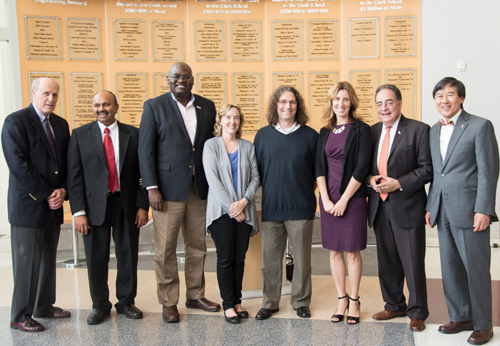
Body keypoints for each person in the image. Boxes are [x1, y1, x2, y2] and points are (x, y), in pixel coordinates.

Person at [139, 62, 220, 323]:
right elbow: (146, 150)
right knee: (165, 249)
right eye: (176, 76)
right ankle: (168, 301)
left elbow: (209, 145)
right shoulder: (154, 106)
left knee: (198, 245)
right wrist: (152, 188)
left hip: (199, 188)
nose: (181, 80)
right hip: (166, 191)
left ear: (192, 80)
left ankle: (195, 294)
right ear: (168, 79)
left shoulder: (206, 106)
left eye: (185, 76)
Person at [425, 77, 499, 345]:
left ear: (461, 98)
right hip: (442, 209)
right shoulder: (434, 130)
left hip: (471, 211)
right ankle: (460, 316)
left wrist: (484, 209)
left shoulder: (480, 126)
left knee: (476, 268)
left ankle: (483, 324)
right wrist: (430, 205)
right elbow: (437, 174)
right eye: (439, 96)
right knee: (450, 267)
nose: (444, 100)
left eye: (450, 95)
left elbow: (489, 173)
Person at [67, 91, 149, 325]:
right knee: (96, 258)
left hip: (127, 205)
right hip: (93, 209)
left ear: (116, 106)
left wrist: (142, 206)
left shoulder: (133, 134)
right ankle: (100, 305)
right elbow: (74, 177)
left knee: (128, 255)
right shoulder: (80, 135)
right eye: (96, 105)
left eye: (106, 104)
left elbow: (144, 173)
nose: (101, 108)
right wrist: (78, 212)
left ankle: (126, 302)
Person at [1, 77, 71, 332]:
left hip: (53, 206)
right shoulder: (15, 122)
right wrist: (47, 194)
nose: (51, 99)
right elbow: (18, 165)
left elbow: (65, 163)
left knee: (47, 260)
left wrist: (63, 190)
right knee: (27, 263)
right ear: (33, 93)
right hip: (28, 206)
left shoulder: (61, 125)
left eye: (55, 94)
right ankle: (20, 315)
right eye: (46, 94)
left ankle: (44, 305)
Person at [368, 84, 432, 332]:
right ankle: (394, 304)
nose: (384, 108)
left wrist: (399, 184)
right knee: (387, 261)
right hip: (379, 207)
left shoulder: (418, 130)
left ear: (399, 103)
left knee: (413, 262)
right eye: (380, 104)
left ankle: (417, 312)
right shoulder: (371, 132)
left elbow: (427, 169)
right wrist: (369, 179)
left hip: (408, 205)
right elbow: (365, 167)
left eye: (389, 102)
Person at [254, 86, 318, 320]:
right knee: (270, 260)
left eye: (292, 102)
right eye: (282, 102)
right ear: (276, 105)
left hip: (301, 207)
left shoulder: (311, 136)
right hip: (272, 208)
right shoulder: (262, 136)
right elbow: (257, 173)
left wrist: (300, 192)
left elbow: (316, 173)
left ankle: (300, 301)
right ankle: (270, 302)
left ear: (297, 106)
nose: (287, 106)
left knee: (302, 260)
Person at [315, 82, 371, 324]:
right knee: (334, 251)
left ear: (352, 102)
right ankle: (341, 299)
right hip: (328, 200)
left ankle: (355, 301)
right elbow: (319, 166)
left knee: (352, 252)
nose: (341, 103)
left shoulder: (361, 129)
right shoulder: (324, 131)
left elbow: (362, 167)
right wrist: (326, 199)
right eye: (337, 99)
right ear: (331, 102)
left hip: (353, 198)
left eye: (345, 99)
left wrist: (344, 200)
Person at [202, 104, 260, 324]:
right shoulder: (211, 146)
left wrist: (244, 201)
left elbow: (256, 177)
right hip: (221, 213)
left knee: (239, 258)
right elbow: (213, 180)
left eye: (236, 118)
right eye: (228, 117)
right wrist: (232, 208)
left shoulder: (247, 146)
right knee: (225, 258)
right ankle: (228, 305)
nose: (232, 121)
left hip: (245, 210)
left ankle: (237, 301)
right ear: (220, 120)